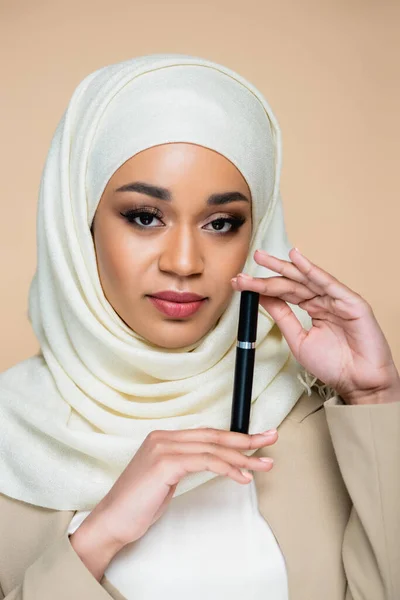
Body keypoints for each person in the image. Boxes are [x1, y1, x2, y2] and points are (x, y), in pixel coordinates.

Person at [0, 53, 398, 600]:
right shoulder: (10, 437)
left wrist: (375, 398)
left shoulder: (314, 417)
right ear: (79, 222)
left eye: (221, 223)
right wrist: (98, 538)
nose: (184, 262)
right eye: (144, 216)